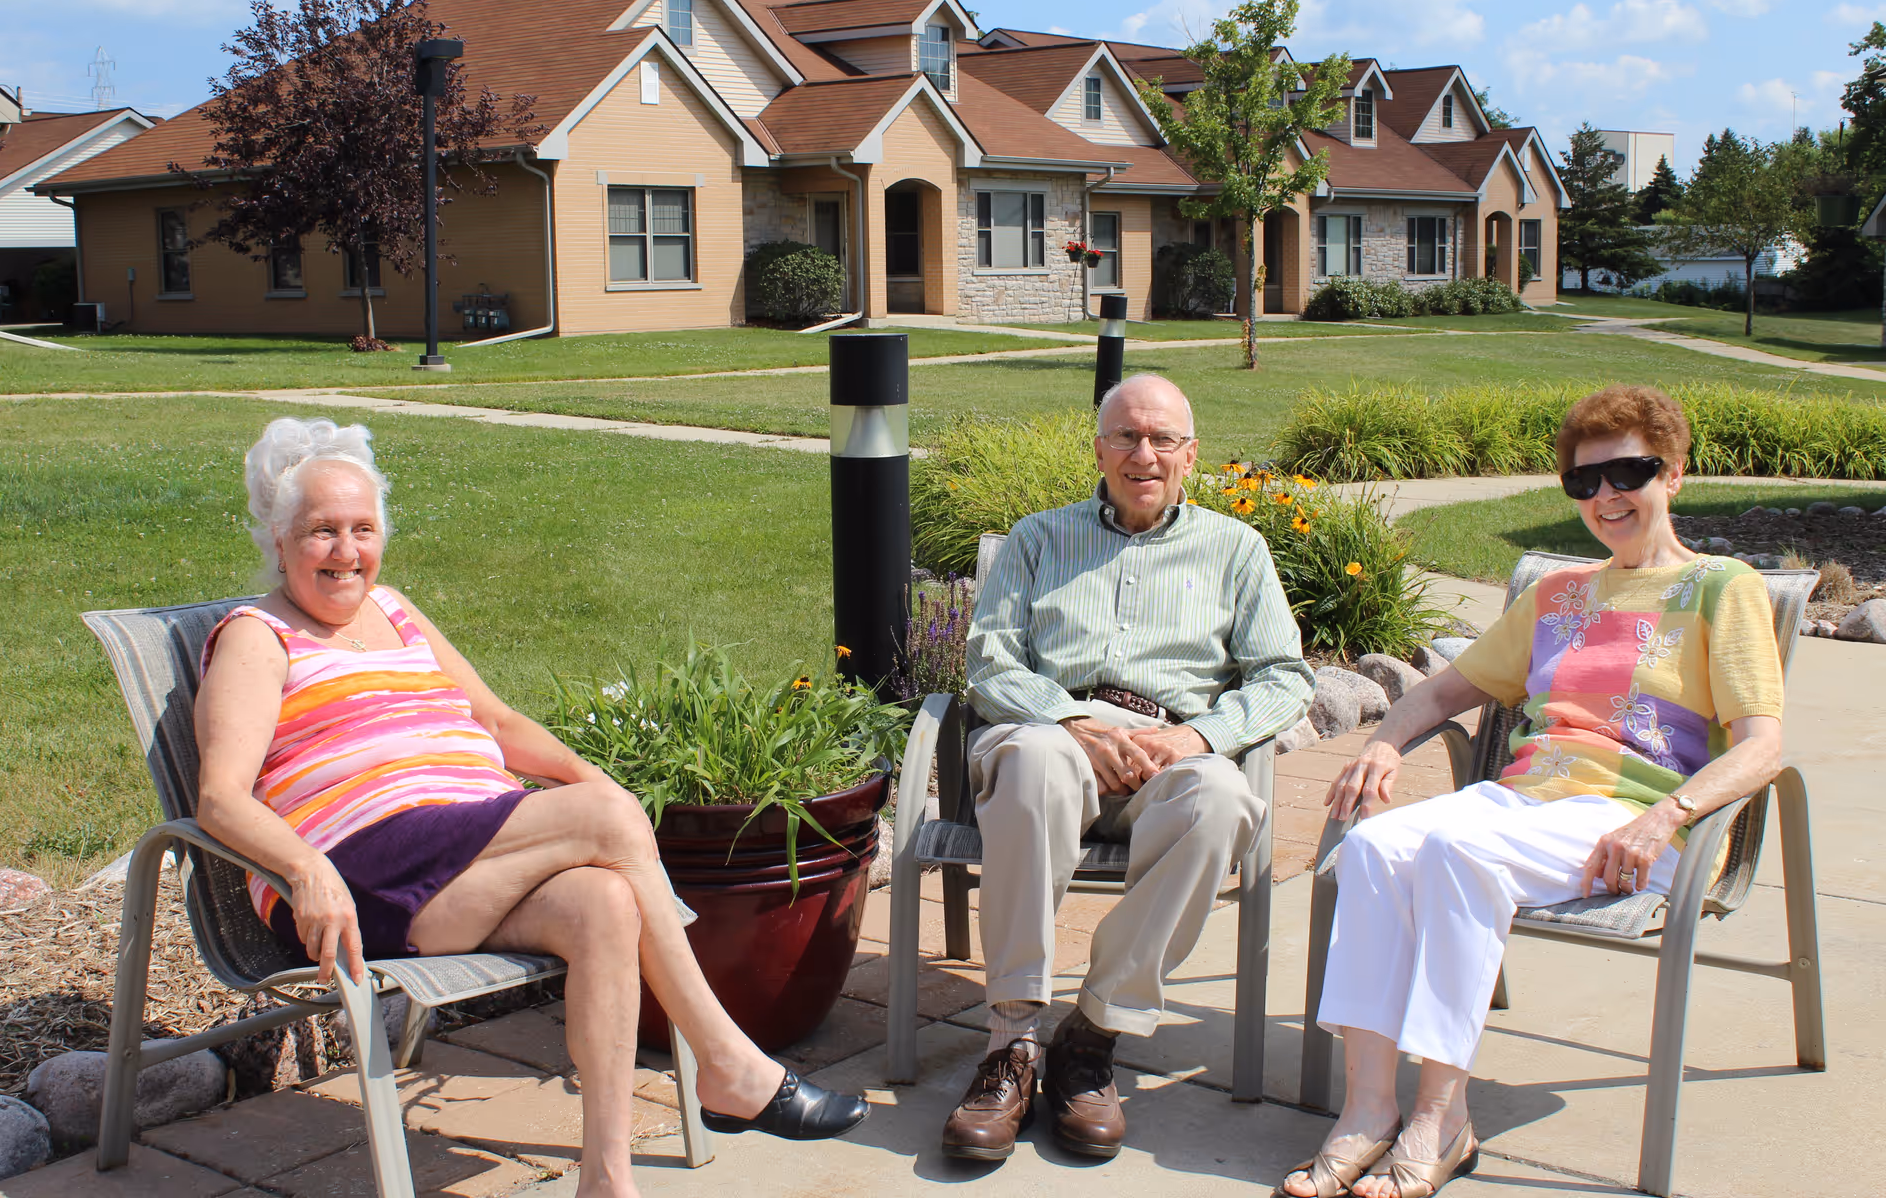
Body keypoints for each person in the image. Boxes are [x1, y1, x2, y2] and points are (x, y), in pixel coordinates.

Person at [194, 417, 866, 1198]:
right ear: (277, 540)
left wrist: (591, 779)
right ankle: (728, 1063)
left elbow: (500, 724)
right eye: (321, 532)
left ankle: (606, 1181)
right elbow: (218, 799)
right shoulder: (258, 636)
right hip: (359, 871)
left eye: (362, 529)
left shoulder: (396, 611)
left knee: (605, 903)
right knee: (607, 819)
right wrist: (305, 869)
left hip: (450, 880)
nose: (347, 553)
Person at [1282, 384, 1786, 1198]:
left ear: (1676, 474)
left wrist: (1669, 814)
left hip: (1636, 821)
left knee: (1455, 849)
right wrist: (1382, 742)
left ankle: (1440, 1118)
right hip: (1525, 805)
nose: (1607, 498)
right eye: (1585, 483)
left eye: (1628, 472)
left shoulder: (1722, 588)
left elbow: (1764, 747)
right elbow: (1445, 692)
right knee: (1372, 845)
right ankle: (1368, 1108)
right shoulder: (1560, 597)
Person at [942, 374, 1315, 1162]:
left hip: (1169, 751)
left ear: (1190, 454)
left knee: (1222, 802)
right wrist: (1070, 719)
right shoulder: (1036, 538)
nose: (1143, 454)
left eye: (1162, 439)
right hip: (1059, 737)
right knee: (1036, 760)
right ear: (1101, 447)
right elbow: (988, 661)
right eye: (1126, 437)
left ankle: (1092, 1034)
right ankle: (1011, 1045)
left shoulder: (1236, 548)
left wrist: (1203, 738)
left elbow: (1285, 674)